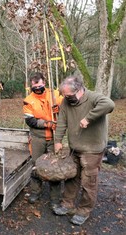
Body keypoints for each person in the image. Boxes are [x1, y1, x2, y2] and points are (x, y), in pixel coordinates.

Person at [53, 75, 115, 226]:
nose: (66, 98)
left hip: (92, 149)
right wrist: (58, 141)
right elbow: (61, 122)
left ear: (79, 90)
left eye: (68, 95)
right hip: (75, 148)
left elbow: (110, 104)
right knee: (72, 177)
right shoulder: (66, 102)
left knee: (89, 182)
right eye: (64, 95)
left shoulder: (94, 97)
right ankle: (67, 204)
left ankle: (83, 210)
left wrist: (89, 118)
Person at [23, 72, 63, 207]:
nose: (38, 89)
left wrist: (60, 109)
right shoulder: (28, 100)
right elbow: (30, 121)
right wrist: (46, 123)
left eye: (40, 86)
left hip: (54, 137)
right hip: (37, 138)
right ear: (31, 86)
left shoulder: (55, 94)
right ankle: (35, 192)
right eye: (35, 87)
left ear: (44, 82)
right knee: (36, 164)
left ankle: (55, 198)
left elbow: (69, 108)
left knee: (54, 166)